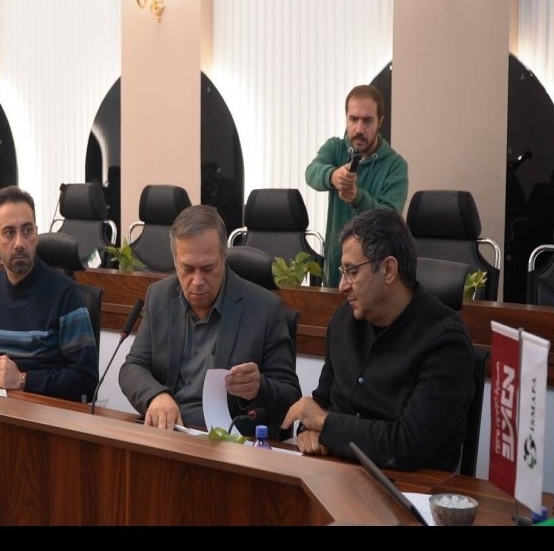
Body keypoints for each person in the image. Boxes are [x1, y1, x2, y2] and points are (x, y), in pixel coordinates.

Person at [282, 208, 474, 471]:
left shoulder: (446, 342)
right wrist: (308, 432)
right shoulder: (343, 320)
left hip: (409, 487)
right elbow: (321, 403)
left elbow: (406, 445)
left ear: (388, 269)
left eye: (352, 271)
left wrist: (325, 425)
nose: (342, 286)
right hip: (338, 476)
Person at [119, 205, 301, 437]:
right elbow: (133, 366)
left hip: (229, 443)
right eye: (187, 268)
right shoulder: (159, 296)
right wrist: (156, 395)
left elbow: (290, 397)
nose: (197, 281)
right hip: (171, 434)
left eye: (207, 268)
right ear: (175, 261)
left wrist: (259, 387)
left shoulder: (266, 309)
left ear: (223, 257)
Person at [0, 186, 98, 402]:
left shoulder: (66, 295)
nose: (19, 243)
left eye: (27, 231)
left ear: (36, 235)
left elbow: (86, 378)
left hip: (47, 413)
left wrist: (23, 379)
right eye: (9, 233)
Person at [306, 84, 408, 287]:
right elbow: (311, 172)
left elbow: (390, 221)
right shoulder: (335, 148)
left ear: (380, 121)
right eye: (353, 119)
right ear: (346, 118)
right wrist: (332, 175)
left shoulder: (395, 166)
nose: (359, 129)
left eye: (367, 120)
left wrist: (357, 198)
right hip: (334, 275)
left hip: (374, 280)